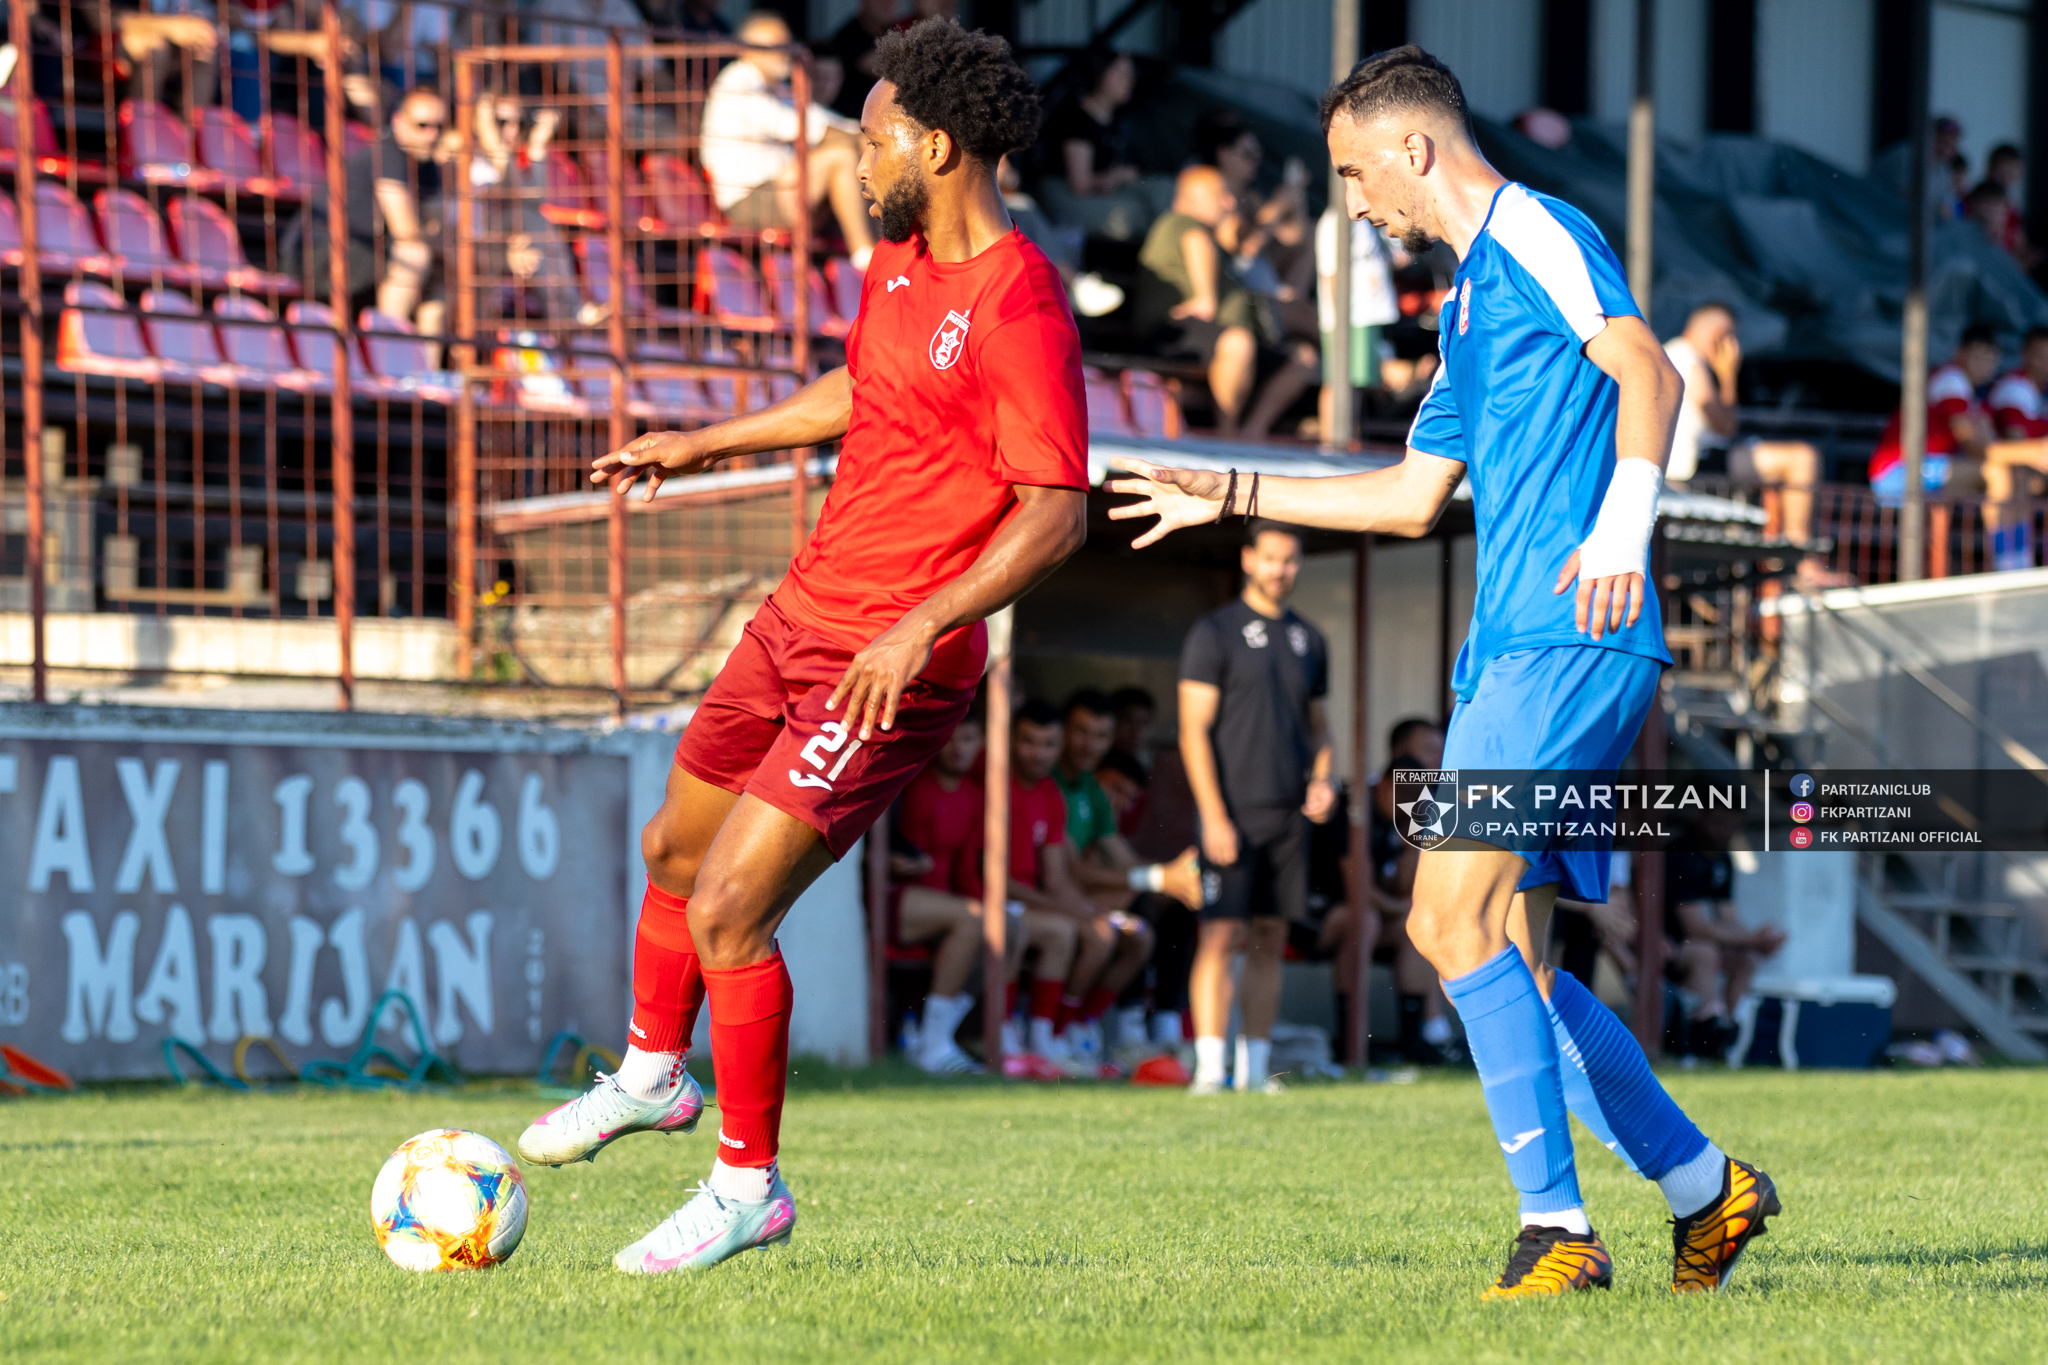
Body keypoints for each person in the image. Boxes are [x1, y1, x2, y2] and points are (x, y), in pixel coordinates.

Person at [1110, 46, 1780, 1298]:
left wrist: (1622, 527)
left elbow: (1648, 366)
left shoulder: (1535, 229)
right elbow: (1410, 497)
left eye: (1354, 174)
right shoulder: (1466, 302)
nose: (1355, 202)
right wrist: (1232, 489)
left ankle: (1556, 1232)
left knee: (1440, 919)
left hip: (1565, 638)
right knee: (1519, 965)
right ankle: (1707, 1191)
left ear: (1411, 148)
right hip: (1517, 649)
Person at [519, 17, 1085, 1273]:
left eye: (872, 138)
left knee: (730, 909)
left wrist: (922, 625)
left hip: (891, 665)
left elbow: (1055, 514)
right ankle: (654, 1074)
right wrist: (701, 443)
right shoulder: (896, 263)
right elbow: (863, 393)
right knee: (673, 851)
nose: (854, 157)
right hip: (798, 617)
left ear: (936, 148)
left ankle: (747, 1187)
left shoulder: (1020, 303)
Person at [1178, 521, 1334, 1095]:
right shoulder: (1214, 632)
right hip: (1232, 811)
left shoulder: (1309, 639)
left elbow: (1319, 728)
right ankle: (1208, 1069)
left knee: (1271, 936)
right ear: (1248, 559)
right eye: (1270, 558)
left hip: (1289, 815)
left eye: (1289, 560)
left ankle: (1256, 1069)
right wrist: (1214, 816)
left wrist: (1324, 780)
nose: (1280, 570)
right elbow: (1193, 731)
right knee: (1220, 935)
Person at [891, 713, 1079, 1074]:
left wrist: (993, 908)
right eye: (951, 738)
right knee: (973, 919)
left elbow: (967, 870)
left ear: (981, 745)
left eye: (968, 740)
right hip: (906, 899)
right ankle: (932, 1044)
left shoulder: (976, 796)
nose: (958, 749)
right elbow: (902, 859)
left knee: (1008, 926)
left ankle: (943, 1036)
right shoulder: (916, 786)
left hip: (950, 903)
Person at [1051, 689, 1201, 1056]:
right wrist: (1157, 878)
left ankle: (1165, 1021)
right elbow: (1075, 872)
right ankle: (1120, 1027)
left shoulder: (1090, 788)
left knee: (1176, 904)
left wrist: (1174, 875)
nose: (1090, 745)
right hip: (1052, 897)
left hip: (1083, 898)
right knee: (1140, 900)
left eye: (1100, 735)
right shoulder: (1050, 784)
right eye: (1081, 732)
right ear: (1064, 731)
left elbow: (1121, 857)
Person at [999, 699, 1135, 1073]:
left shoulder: (1050, 794)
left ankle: (1052, 1037)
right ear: (1010, 740)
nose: (1038, 753)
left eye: (1048, 744)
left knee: (1102, 931)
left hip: (1031, 901)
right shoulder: (996, 784)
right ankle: (1006, 1035)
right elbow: (996, 879)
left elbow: (1057, 877)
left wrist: (1090, 912)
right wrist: (1071, 909)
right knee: (1057, 930)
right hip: (993, 899)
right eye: (1029, 741)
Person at [1662, 303, 1841, 586]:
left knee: (1781, 463)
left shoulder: (1671, 353)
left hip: (1688, 463)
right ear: (1719, 334)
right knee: (1802, 458)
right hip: (1692, 466)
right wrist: (1728, 375)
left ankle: (1786, 557)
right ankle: (1801, 559)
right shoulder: (1687, 358)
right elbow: (1724, 425)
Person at [1135, 165, 1320, 438]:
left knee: (1304, 358)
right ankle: (1227, 433)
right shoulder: (1180, 222)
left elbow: (1284, 244)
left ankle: (1252, 432)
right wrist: (1205, 297)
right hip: (1171, 332)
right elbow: (1196, 242)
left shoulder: (1215, 239)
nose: (1230, 203)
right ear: (1192, 199)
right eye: (1220, 195)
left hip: (1215, 334)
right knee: (1238, 342)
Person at [701, 11, 878, 270]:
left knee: (864, 150)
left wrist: (868, 138)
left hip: (780, 190)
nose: (784, 52)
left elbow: (825, 120)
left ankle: (884, 251)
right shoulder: (737, 82)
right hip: (749, 201)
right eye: (775, 45)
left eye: (786, 44)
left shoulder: (777, 86)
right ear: (748, 49)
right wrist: (861, 138)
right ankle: (865, 255)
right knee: (840, 155)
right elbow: (800, 126)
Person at [1872, 324, 2048, 529]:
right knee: (1996, 473)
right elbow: (1977, 447)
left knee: (2015, 475)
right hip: (1897, 471)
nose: (1983, 364)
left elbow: (1986, 445)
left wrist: (2031, 453)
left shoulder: (1976, 395)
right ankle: (2008, 551)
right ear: (1959, 353)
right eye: (1977, 356)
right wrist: (2034, 452)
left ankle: (2017, 549)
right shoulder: (1951, 380)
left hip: (1937, 468)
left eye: (1989, 358)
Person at [1663, 851, 1785, 1057]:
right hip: (1668, 947)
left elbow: (1729, 919)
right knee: (1705, 953)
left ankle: (1731, 1031)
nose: (1726, 834)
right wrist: (1754, 939)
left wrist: (1757, 941)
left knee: (1744, 960)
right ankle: (1705, 1028)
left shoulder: (1722, 859)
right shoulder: (1682, 856)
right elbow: (1695, 927)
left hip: (1698, 947)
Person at [1036, 49, 1164, 242]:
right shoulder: (1078, 120)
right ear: (1101, 75)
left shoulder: (1116, 119)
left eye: (1131, 75)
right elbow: (1080, 185)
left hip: (1099, 193)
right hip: (1066, 197)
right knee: (1133, 215)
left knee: (1161, 190)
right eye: (1121, 74)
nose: (1130, 81)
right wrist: (1117, 176)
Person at [1315, 203, 1400, 440]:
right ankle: (1333, 442)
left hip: (1364, 317)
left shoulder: (1361, 219)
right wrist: (1340, 322)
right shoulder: (1337, 220)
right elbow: (1330, 272)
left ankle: (1348, 438)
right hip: (1351, 318)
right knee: (1340, 381)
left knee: (1355, 383)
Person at [823, 0, 901, 121]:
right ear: (864, 2)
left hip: (884, 122)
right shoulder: (848, 37)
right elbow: (884, 67)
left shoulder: (894, 33)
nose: (888, 4)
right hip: (848, 122)